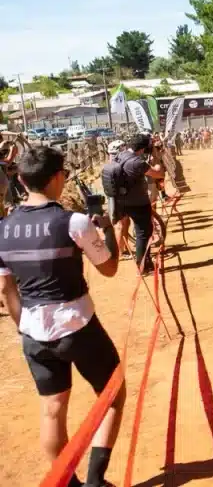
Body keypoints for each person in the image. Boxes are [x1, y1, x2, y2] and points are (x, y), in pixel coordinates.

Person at [0, 146, 124, 487]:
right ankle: (96, 480)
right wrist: (107, 231)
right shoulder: (74, 221)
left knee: (52, 410)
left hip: (33, 332)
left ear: (22, 180)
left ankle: (67, 482)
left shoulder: (2, 229)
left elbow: (7, 291)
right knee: (112, 394)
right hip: (78, 325)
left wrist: (26, 328)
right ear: (57, 178)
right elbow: (110, 269)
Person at [109, 135, 164, 275]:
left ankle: (125, 255)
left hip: (120, 201)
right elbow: (158, 173)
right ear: (144, 148)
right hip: (138, 202)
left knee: (122, 227)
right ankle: (143, 266)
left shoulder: (120, 156)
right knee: (143, 233)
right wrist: (157, 160)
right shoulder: (137, 162)